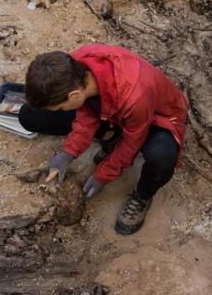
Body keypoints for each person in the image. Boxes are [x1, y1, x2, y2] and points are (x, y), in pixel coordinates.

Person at [19, 43, 187, 235]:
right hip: (114, 112)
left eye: (60, 107)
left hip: (155, 119)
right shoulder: (74, 67)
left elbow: (133, 142)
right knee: (30, 115)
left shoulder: (133, 95)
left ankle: (143, 195)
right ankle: (112, 135)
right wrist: (68, 153)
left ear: (74, 95)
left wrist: (103, 175)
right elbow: (86, 115)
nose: (59, 111)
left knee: (162, 158)